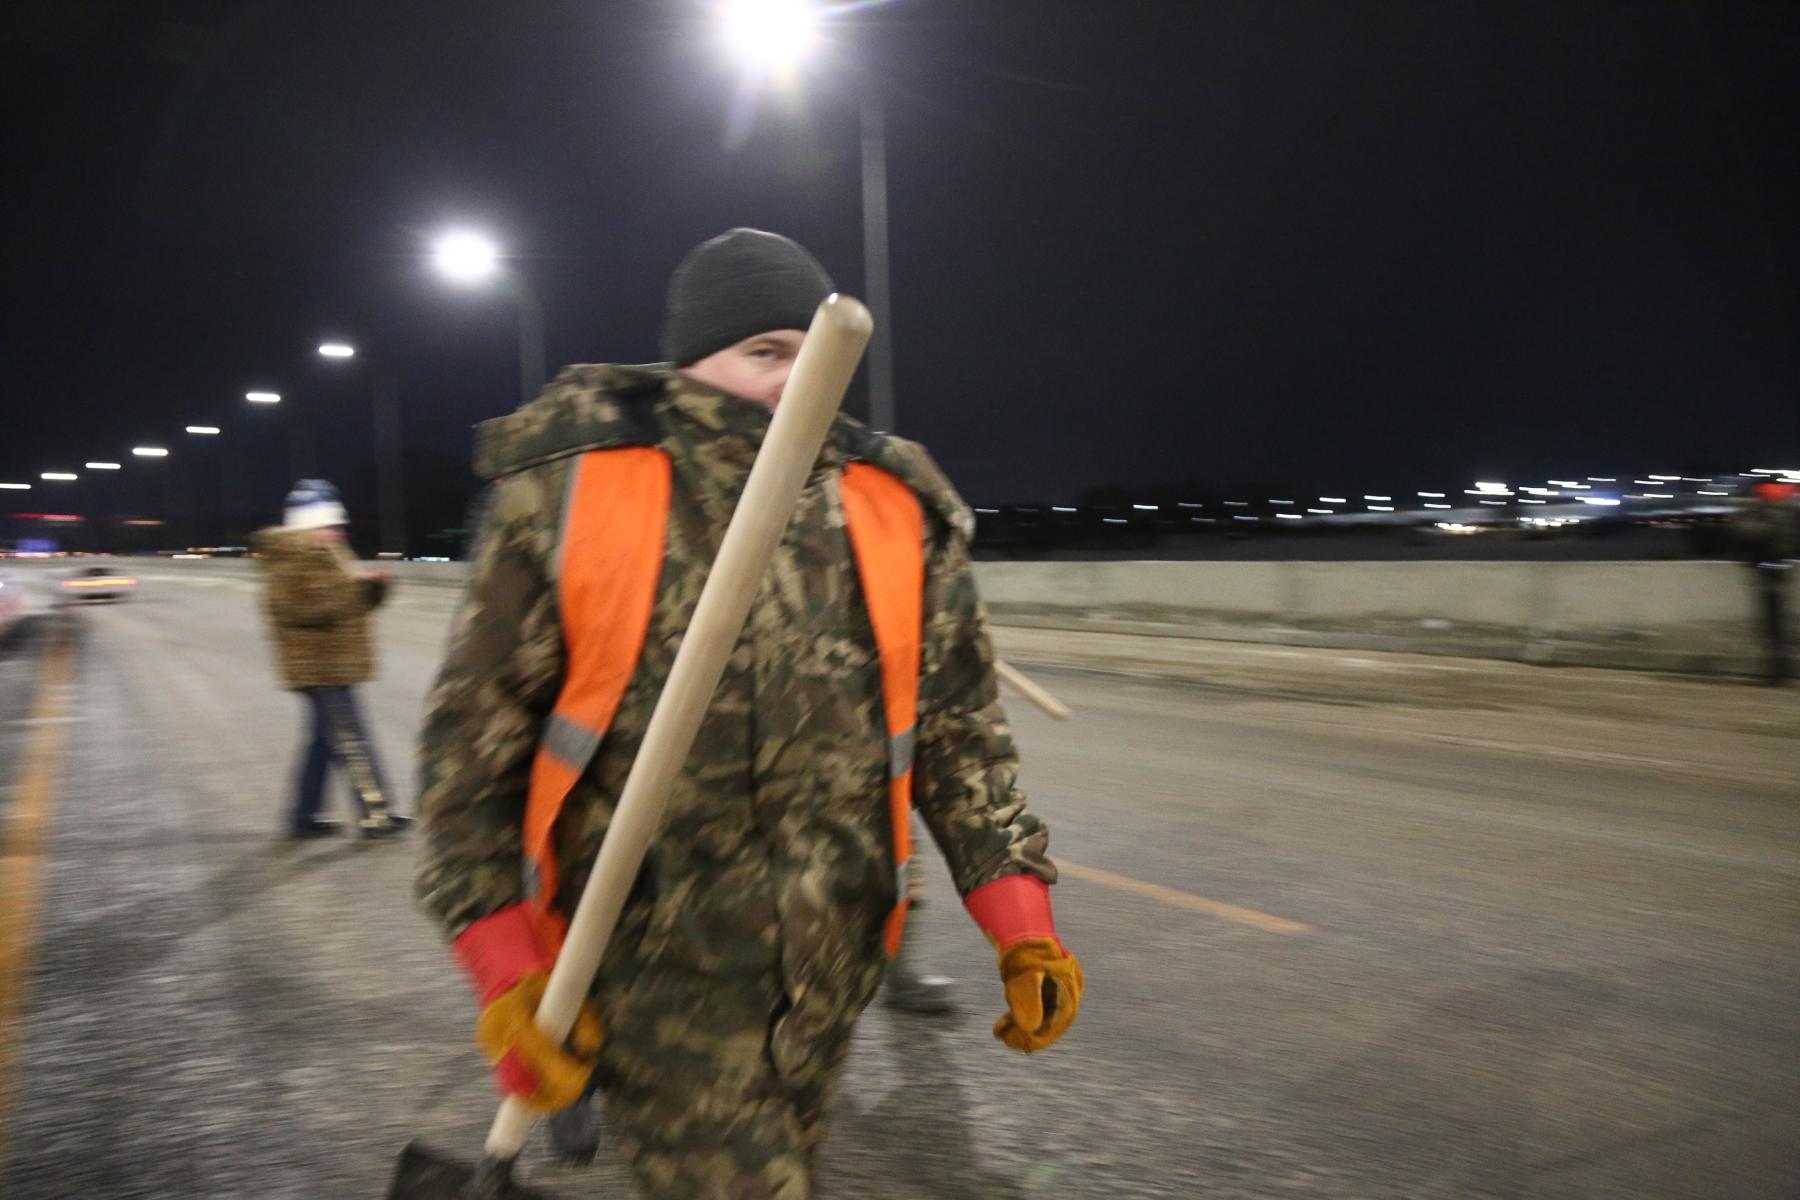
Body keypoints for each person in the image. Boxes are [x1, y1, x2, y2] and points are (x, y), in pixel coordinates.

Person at [415, 228, 1083, 1198]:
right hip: (655, 981)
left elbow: (961, 737)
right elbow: (466, 766)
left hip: (833, 973)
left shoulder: (895, 510)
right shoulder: (571, 494)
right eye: (764, 353)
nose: (792, 381)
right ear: (693, 364)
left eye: (811, 357)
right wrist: (508, 969)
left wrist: (1022, 921)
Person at [255, 480, 410, 837]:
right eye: (328, 525)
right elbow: (296, 608)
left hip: (334, 664)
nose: (336, 532)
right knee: (353, 741)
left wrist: (374, 588)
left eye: (336, 525)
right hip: (320, 668)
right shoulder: (290, 557)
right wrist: (354, 593)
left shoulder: (331, 554)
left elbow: (354, 606)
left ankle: (302, 818)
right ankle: (376, 813)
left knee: (323, 744)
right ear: (307, 525)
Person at [1733, 480, 1799, 686]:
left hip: (1770, 572)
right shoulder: (1786, 515)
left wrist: (1747, 515)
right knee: (1775, 625)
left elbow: (1750, 531)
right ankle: (1778, 671)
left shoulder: (1772, 516)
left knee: (1773, 626)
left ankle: (1777, 673)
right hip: (1775, 570)